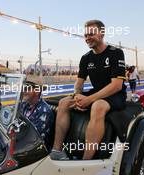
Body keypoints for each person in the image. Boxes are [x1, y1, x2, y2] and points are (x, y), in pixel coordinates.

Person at [50, 20, 127, 160]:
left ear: (102, 33)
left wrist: (89, 100)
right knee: (63, 102)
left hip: (115, 94)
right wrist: (77, 95)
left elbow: (117, 85)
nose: (87, 38)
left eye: (91, 34)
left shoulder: (116, 53)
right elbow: (78, 83)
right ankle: (57, 150)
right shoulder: (86, 58)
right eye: (85, 35)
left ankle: (86, 160)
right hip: (97, 92)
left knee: (98, 106)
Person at [20, 79, 55, 149]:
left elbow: (35, 138)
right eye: (23, 88)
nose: (24, 91)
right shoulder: (24, 104)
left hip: (36, 148)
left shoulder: (44, 111)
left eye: (27, 88)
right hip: (22, 140)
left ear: (37, 91)